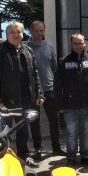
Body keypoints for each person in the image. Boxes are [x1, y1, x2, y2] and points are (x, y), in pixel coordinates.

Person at [0, 22, 44, 166]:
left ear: (23, 34)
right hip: (6, 101)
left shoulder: (28, 51)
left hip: (26, 99)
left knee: (23, 131)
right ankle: (4, 159)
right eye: (12, 32)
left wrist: (39, 94)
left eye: (18, 32)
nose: (16, 35)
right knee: (4, 132)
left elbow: (35, 74)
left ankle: (23, 157)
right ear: (7, 34)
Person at [54, 33, 88, 167]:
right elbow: (57, 85)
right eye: (75, 43)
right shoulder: (63, 61)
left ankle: (86, 156)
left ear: (84, 43)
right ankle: (71, 157)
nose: (78, 46)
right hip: (69, 106)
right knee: (71, 133)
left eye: (80, 43)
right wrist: (60, 105)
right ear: (71, 44)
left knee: (86, 132)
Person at [26, 20, 65, 158]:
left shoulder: (49, 46)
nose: (39, 33)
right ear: (31, 31)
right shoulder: (25, 48)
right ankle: (38, 148)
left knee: (54, 120)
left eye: (41, 30)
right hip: (33, 92)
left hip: (50, 89)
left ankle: (56, 147)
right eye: (36, 31)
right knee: (34, 121)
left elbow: (55, 69)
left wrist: (58, 88)